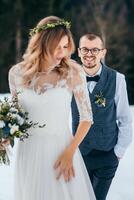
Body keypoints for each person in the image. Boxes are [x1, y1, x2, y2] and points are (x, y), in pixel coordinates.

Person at [7, 16, 96, 200]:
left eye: (65, 46)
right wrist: (5, 137)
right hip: (29, 153)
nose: (62, 53)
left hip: (61, 152)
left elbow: (87, 118)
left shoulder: (73, 72)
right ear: (42, 44)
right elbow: (16, 118)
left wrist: (69, 152)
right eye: (57, 47)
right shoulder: (16, 74)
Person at [71, 33, 133, 200]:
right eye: (85, 49)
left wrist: (117, 153)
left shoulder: (118, 79)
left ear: (103, 52)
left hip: (107, 154)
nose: (89, 54)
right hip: (78, 154)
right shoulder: (70, 79)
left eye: (95, 50)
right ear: (78, 51)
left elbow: (125, 118)